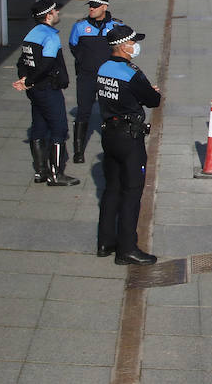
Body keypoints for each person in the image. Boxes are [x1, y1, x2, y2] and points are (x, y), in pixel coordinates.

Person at [94, 24, 159, 265]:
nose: (135, 47)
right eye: (133, 43)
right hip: (129, 138)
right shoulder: (130, 72)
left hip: (108, 135)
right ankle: (127, 249)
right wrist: (149, 91)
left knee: (112, 188)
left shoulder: (103, 68)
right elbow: (153, 100)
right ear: (123, 46)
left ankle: (105, 241)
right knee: (132, 191)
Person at [14, 0, 77, 186]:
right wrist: (31, 80)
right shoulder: (50, 36)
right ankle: (56, 174)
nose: (58, 13)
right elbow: (47, 64)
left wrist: (25, 79)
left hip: (34, 91)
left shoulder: (31, 34)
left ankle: (40, 172)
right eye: (56, 11)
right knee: (59, 129)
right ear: (49, 15)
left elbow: (21, 62)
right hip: (48, 89)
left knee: (39, 128)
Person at [69, 0, 127, 164]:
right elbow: (73, 46)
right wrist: (83, 60)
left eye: (95, 6)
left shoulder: (116, 26)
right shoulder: (80, 26)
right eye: (90, 6)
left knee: (110, 113)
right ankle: (78, 151)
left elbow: (125, 48)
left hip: (108, 77)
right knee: (83, 112)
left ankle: (113, 148)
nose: (91, 9)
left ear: (104, 7)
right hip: (86, 76)